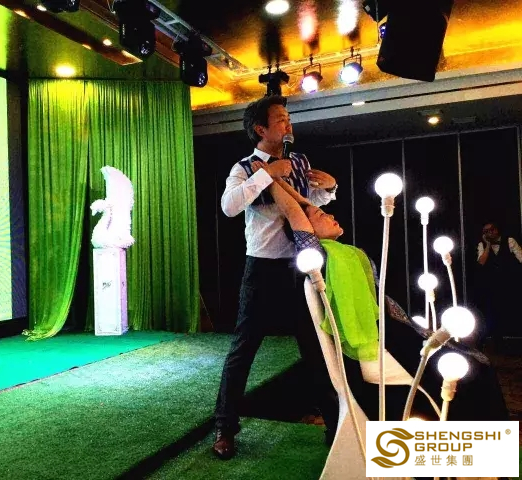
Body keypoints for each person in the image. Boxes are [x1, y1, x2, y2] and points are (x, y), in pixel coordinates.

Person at [264, 176, 509, 422]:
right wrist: (268, 176)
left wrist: (283, 182)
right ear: (307, 231)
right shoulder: (317, 255)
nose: (330, 215)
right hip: (384, 339)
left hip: (396, 330)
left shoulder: (342, 252)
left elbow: (303, 206)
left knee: (475, 360)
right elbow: (293, 211)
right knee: (477, 369)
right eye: (321, 216)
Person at [213, 95, 339, 460]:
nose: (288, 124)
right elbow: (229, 207)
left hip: (302, 267)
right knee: (243, 350)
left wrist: (329, 187)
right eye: (281, 119)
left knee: (316, 348)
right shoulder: (244, 167)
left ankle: (335, 425)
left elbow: (310, 204)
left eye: (288, 118)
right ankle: (224, 428)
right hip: (262, 269)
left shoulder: (299, 161)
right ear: (260, 129)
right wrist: (267, 174)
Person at [475, 222, 522, 349]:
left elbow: (521, 257)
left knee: (511, 310)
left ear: (497, 230)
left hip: (509, 282)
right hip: (490, 285)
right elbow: (481, 262)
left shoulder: (509, 241)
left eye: (491, 229)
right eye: (486, 231)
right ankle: (496, 341)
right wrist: (488, 245)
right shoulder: (482, 244)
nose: (489, 233)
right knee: (492, 312)